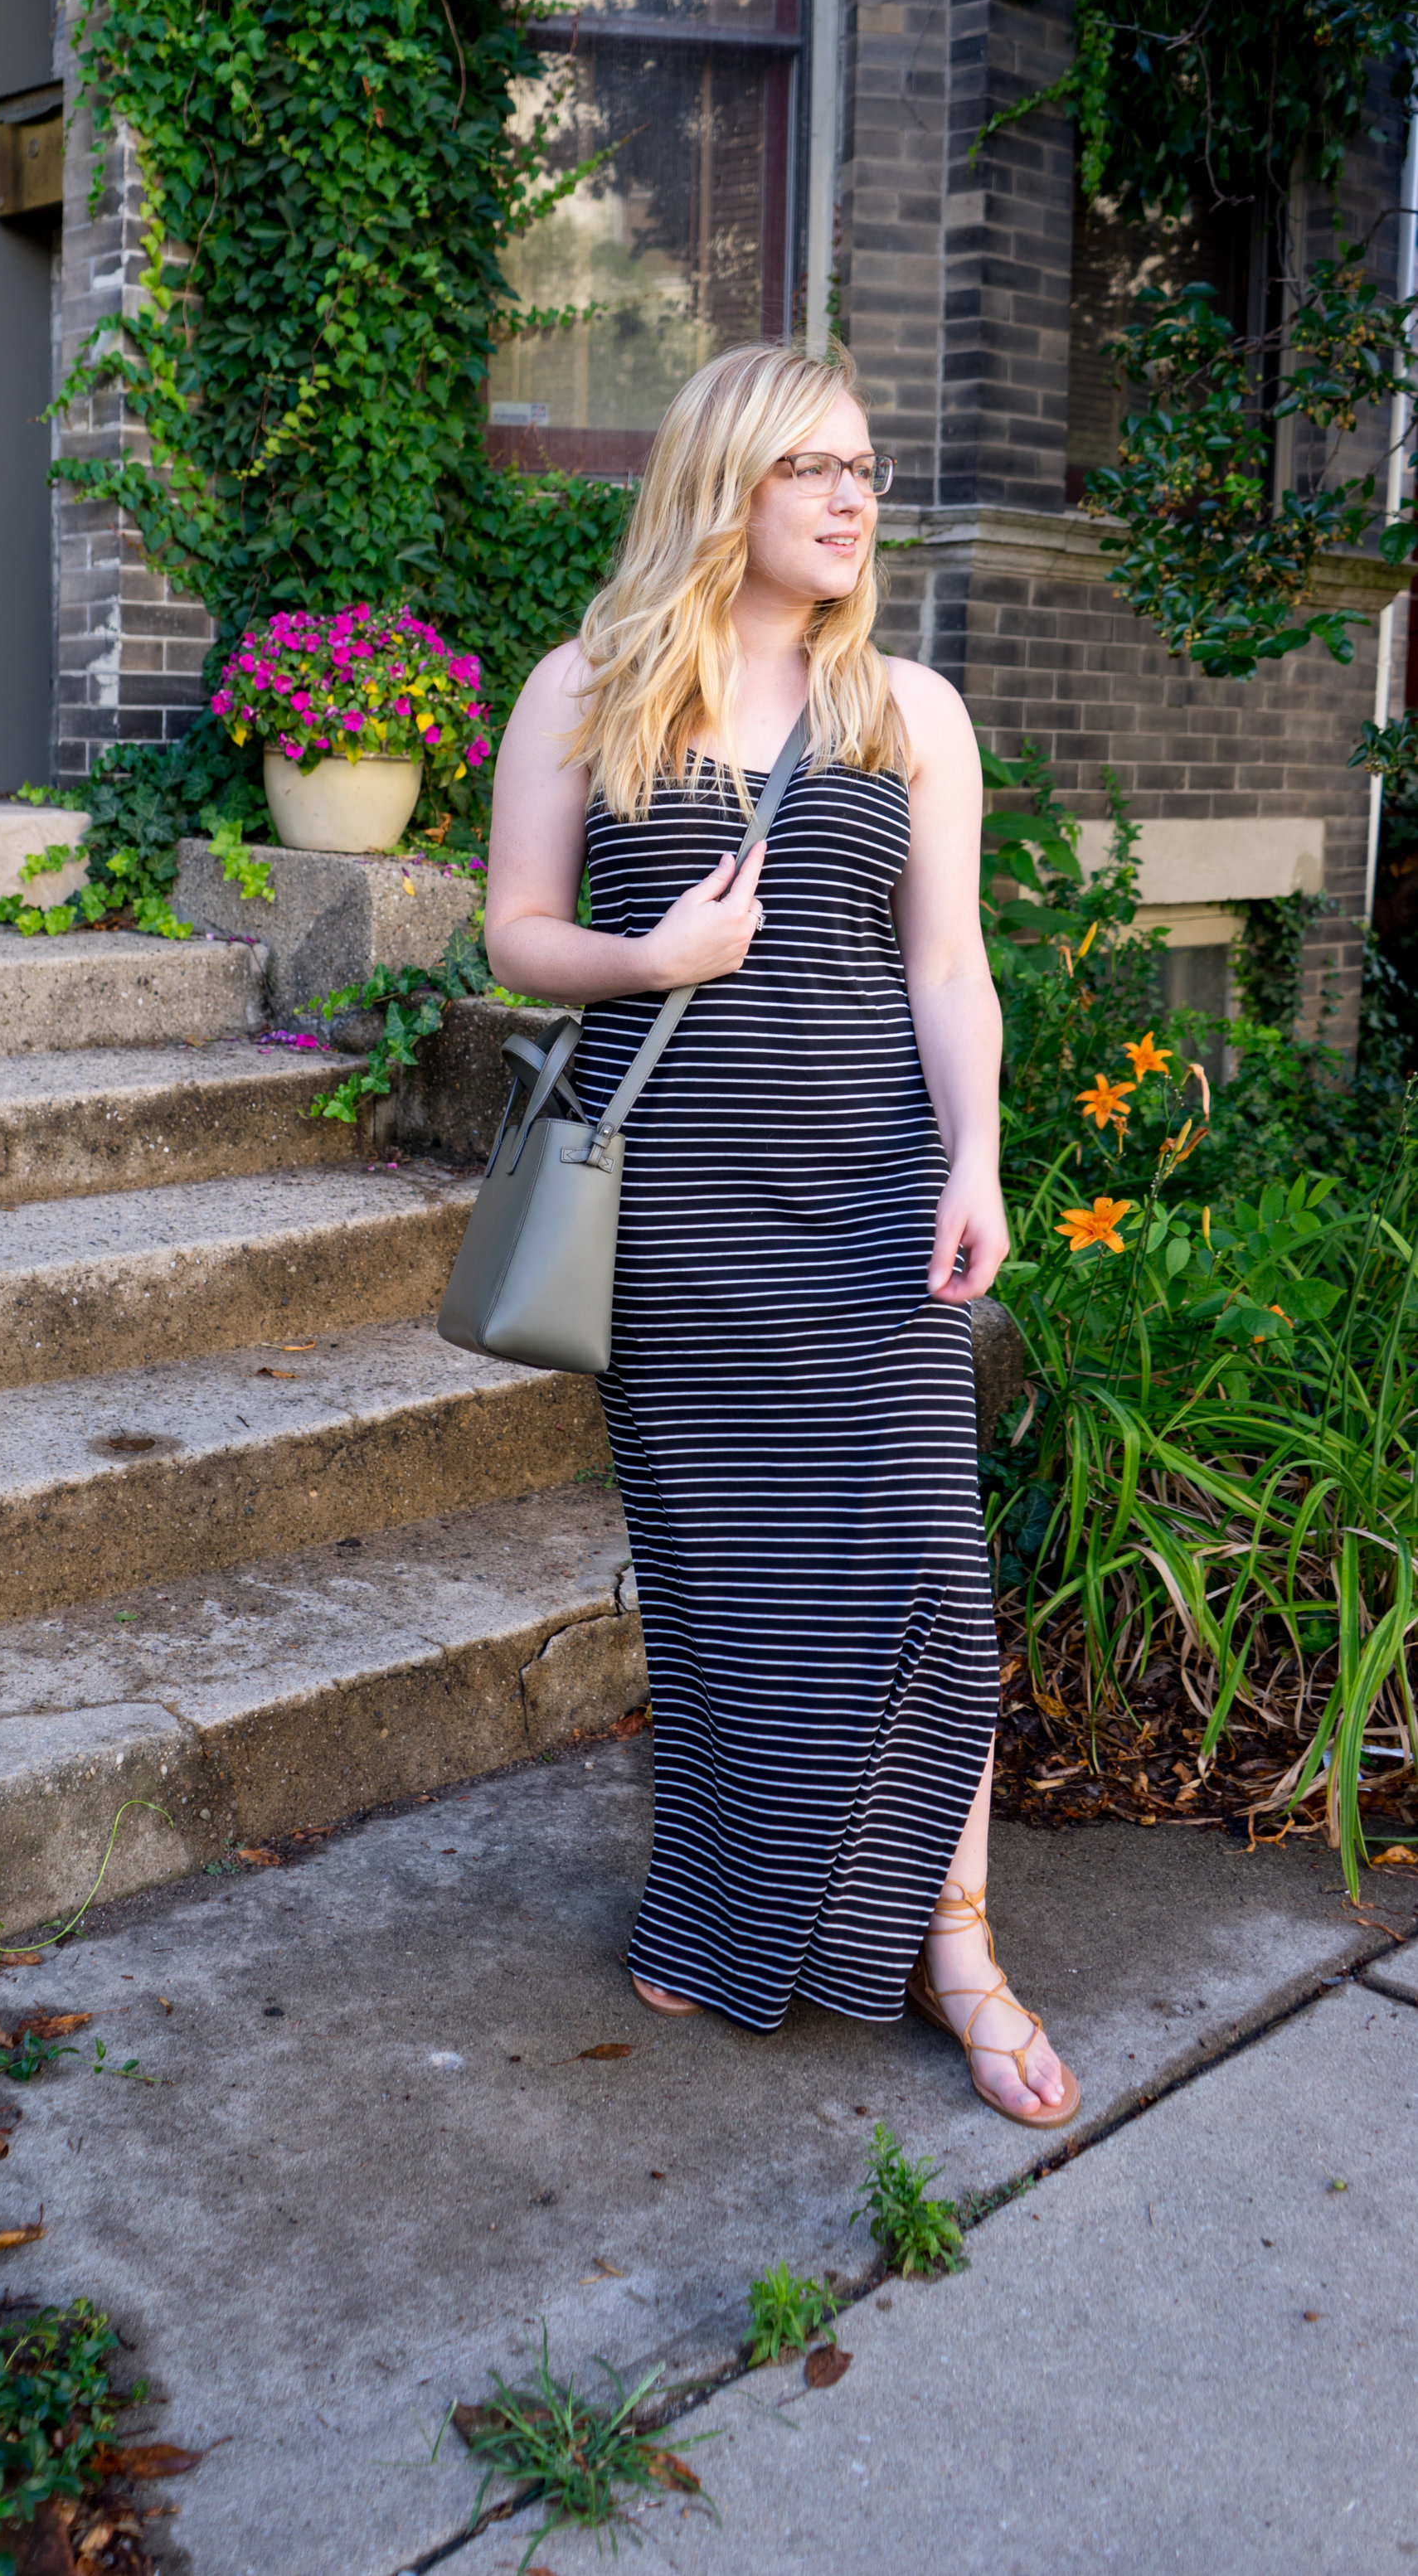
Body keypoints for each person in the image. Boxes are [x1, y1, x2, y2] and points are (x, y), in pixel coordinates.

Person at [482, 338, 1076, 2128]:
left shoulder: (907, 710)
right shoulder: (585, 688)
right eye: (811, 466)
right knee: (725, 1588)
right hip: (674, 1209)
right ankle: (730, 1911)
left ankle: (951, 1946)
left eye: (866, 470)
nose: (848, 498)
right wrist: (646, 955)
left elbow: (943, 966)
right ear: (720, 483)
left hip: (870, 1199)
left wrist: (973, 1156)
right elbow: (512, 935)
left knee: (925, 1585)